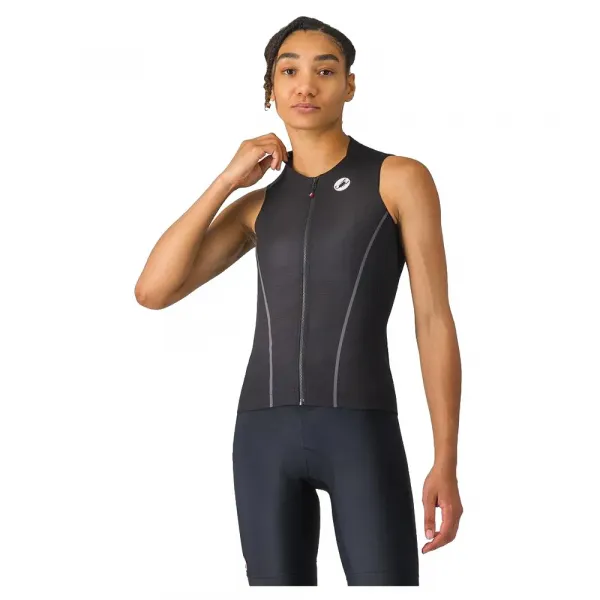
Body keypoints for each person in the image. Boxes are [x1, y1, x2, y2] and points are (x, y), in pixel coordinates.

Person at [134, 15, 463, 587]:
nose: (305, 85)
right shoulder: (257, 206)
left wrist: (446, 459)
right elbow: (152, 291)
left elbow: (433, 320)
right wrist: (226, 181)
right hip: (262, 437)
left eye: (325, 71)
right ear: (270, 89)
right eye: (289, 72)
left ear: (350, 85)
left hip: (360, 431)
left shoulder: (399, 178)